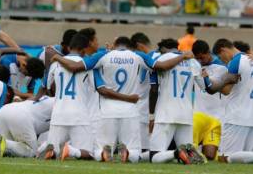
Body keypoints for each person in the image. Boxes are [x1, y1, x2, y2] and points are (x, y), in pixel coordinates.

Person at [52, 37, 195, 163]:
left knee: (97, 151)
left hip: (107, 111)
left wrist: (58, 57)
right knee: (135, 153)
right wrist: (182, 57)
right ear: (130, 46)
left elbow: (75, 67)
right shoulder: (138, 55)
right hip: (130, 110)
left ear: (115, 45)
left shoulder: (104, 55)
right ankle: (127, 153)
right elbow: (161, 66)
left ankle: (104, 152)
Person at [40, 34, 139, 161]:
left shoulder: (55, 64)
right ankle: (70, 150)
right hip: (79, 116)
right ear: (84, 49)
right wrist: (128, 98)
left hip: (58, 114)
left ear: (69, 47)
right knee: (89, 153)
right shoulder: (89, 66)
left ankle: (50, 149)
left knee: (55, 148)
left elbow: (49, 87)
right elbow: (102, 89)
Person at [149, 38, 206, 164]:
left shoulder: (162, 59)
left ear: (164, 49)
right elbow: (203, 86)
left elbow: (153, 89)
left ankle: (176, 152)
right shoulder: (194, 62)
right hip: (186, 113)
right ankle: (185, 152)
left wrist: (151, 115)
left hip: (166, 112)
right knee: (187, 154)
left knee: (154, 156)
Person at [211, 39, 253, 163]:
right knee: (247, 160)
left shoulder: (236, 61)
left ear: (223, 49)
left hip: (236, 116)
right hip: (250, 116)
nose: (222, 60)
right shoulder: (250, 58)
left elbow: (226, 90)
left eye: (220, 56)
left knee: (224, 157)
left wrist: (208, 82)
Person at [130, 32, 160, 156]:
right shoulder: (160, 57)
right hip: (156, 109)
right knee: (150, 148)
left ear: (139, 46)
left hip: (143, 109)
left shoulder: (146, 58)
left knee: (144, 149)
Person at [192, 40, 227, 122]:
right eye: (197, 59)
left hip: (216, 117)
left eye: (202, 58)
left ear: (208, 53)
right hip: (198, 116)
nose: (200, 61)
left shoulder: (222, 67)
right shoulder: (195, 67)